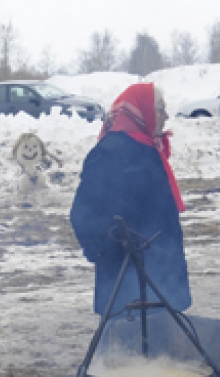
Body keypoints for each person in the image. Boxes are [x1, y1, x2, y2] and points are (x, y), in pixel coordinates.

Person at [70, 83, 191, 317]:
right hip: (124, 279)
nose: (166, 116)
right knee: (128, 346)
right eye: (160, 109)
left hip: (161, 274)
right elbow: (82, 214)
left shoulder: (149, 149)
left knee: (161, 347)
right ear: (142, 110)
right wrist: (102, 253)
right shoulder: (110, 153)